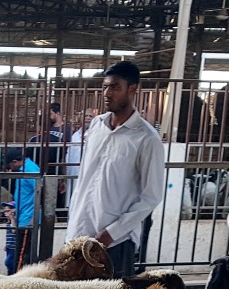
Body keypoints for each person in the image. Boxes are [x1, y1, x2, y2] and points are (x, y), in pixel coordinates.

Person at [66, 60, 165, 277]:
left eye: (115, 87)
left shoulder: (146, 139)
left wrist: (110, 234)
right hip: (79, 235)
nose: (107, 93)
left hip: (115, 245)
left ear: (132, 90)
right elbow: (86, 177)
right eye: (105, 87)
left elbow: (151, 196)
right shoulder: (96, 126)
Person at [4, 147, 39, 273]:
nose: (9, 169)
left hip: (27, 220)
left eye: (9, 165)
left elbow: (41, 191)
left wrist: (33, 217)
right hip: (23, 217)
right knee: (21, 255)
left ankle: (17, 282)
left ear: (15, 162)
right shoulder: (26, 169)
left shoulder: (30, 170)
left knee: (21, 257)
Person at [65, 108, 96, 207]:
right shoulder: (74, 135)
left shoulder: (96, 134)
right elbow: (68, 156)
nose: (87, 118)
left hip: (89, 175)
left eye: (90, 116)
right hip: (73, 174)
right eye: (85, 116)